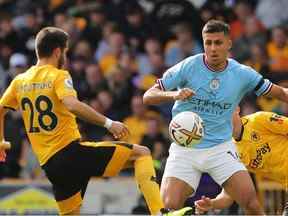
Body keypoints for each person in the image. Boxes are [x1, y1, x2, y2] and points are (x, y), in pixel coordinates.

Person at [0, 27, 192, 215]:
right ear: (58, 51)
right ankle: (160, 213)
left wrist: (1, 142)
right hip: (70, 153)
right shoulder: (58, 75)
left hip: (51, 166)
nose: (65, 57)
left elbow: (0, 109)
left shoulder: (20, 81)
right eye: (65, 51)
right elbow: (72, 105)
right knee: (141, 154)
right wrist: (109, 123)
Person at [143, 19, 288, 214]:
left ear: (229, 44)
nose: (212, 48)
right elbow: (148, 96)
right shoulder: (188, 66)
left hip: (220, 147)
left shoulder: (243, 74)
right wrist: (173, 95)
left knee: (250, 202)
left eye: (218, 43)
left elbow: (281, 93)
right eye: (207, 43)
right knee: (167, 208)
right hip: (185, 148)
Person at [195, 109, 288, 214]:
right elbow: (228, 196)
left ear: (236, 108)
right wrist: (212, 204)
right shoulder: (230, 152)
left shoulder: (259, 120)